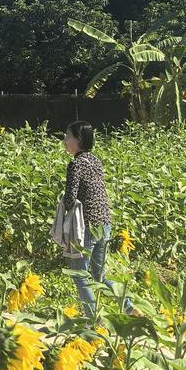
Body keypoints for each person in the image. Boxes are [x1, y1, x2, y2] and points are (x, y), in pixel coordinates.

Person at [59, 121, 112, 319]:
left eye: (67, 136)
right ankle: (129, 306)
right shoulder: (95, 161)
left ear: (78, 140)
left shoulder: (76, 164)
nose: (65, 141)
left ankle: (93, 319)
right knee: (99, 276)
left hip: (87, 226)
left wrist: (61, 207)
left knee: (79, 274)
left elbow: (71, 199)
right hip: (105, 224)